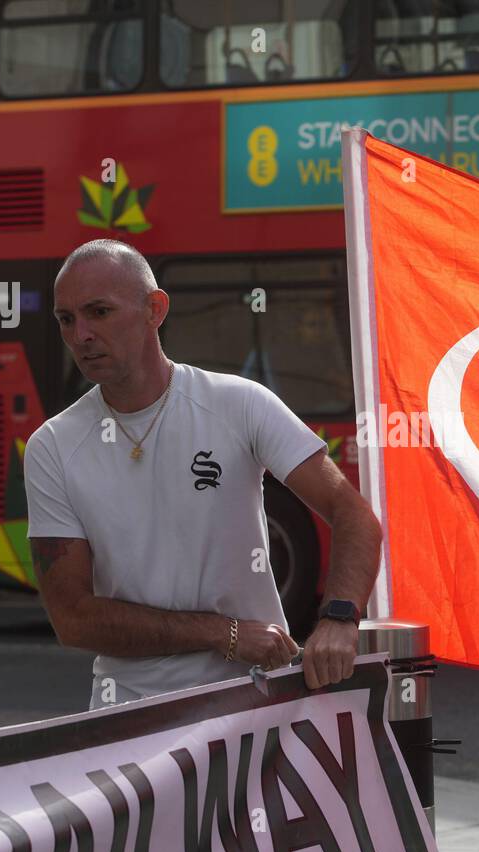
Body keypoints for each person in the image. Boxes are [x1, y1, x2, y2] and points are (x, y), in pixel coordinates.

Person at [26, 239, 383, 709]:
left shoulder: (239, 403)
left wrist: (339, 619)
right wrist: (224, 634)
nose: (81, 335)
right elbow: (73, 619)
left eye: (99, 312)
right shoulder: (52, 446)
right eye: (66, 319)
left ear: (155, 309)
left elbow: (353, 514)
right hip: (129, 717)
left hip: (254, 706)